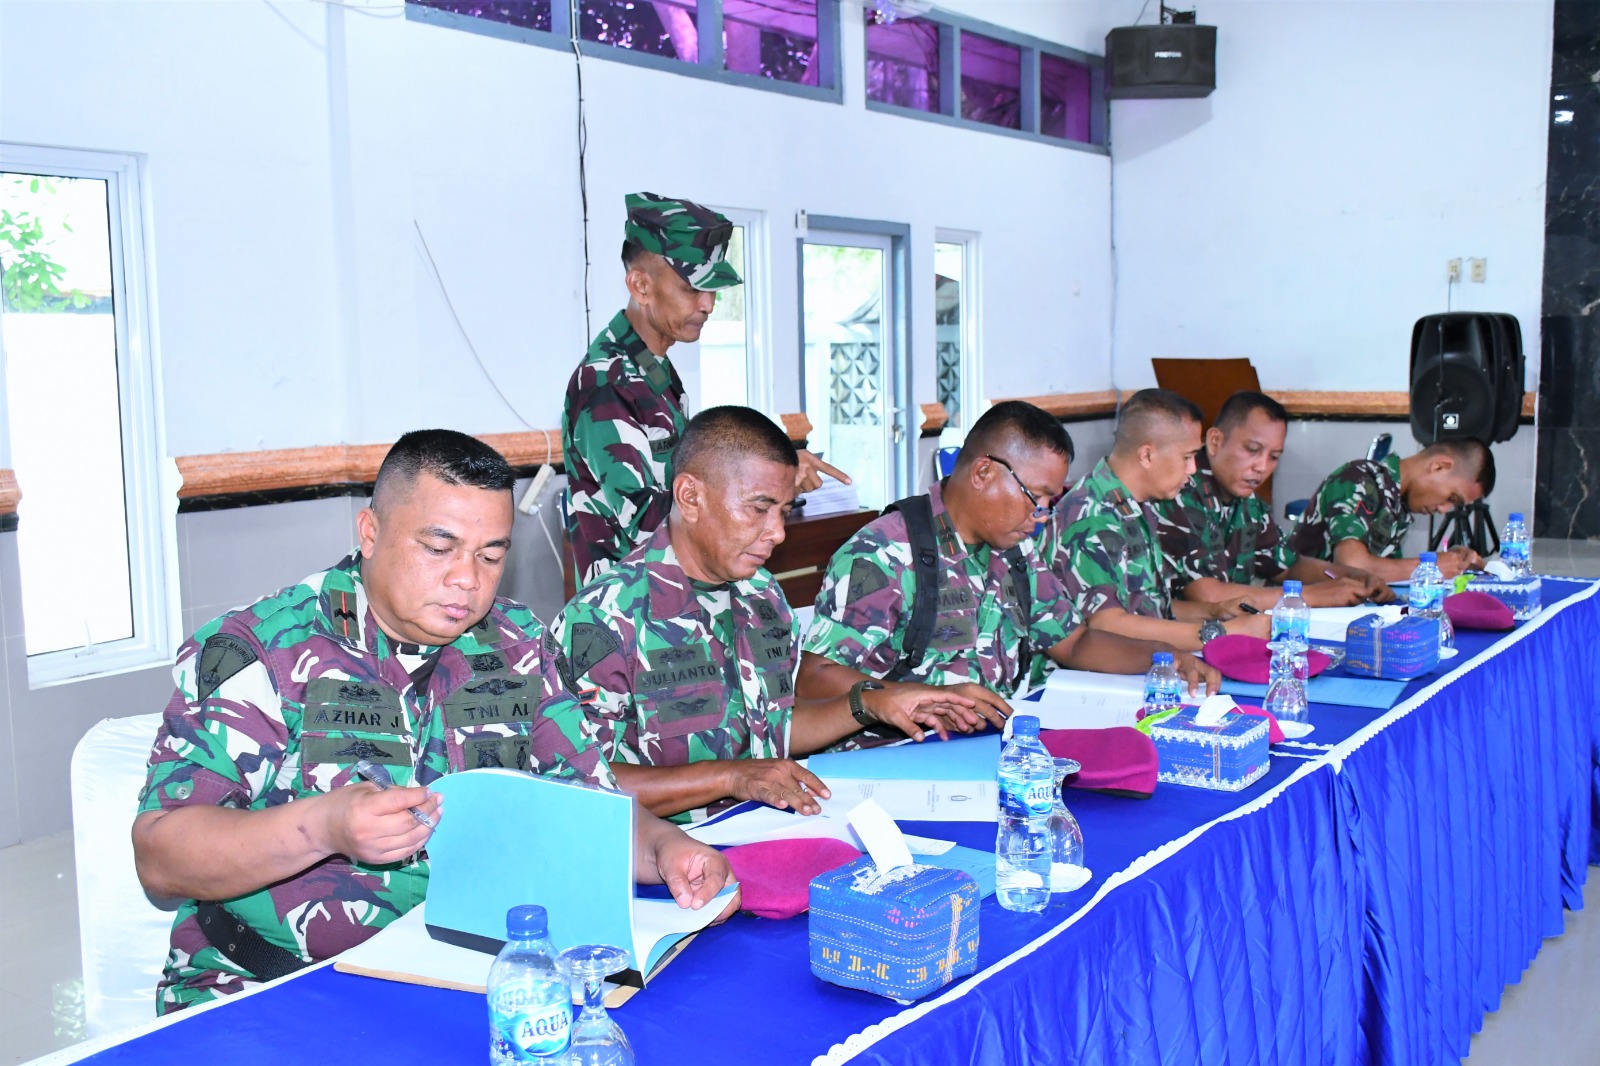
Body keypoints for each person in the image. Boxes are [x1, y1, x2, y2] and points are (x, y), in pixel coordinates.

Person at [132, 430, 734, 1014]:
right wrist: (325, 827)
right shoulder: (262, 650)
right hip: (271, 988)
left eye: (490, 555)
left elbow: (583, 806)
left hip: (458, 979)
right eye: (439, 548)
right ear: (371, 533)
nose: (467, 578)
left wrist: (664, 848)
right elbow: (161, 859)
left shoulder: (516, 644)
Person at [556, 406, 978, 819]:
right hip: (673, 848)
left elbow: (774, 727)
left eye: (784, 512)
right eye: (759, 508)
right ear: (690, 497)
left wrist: (869, 703)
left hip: (765, 827)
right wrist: (729, 778)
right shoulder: (603, 619)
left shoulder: (760, 595)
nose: (777, 533)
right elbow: (573, 785)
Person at [797, 400, 1219, 750]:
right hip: (894, 755)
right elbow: (813, 678)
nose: (1043, 515)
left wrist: (1162, 655)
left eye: (1051, 501)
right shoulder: (883, 553)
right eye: (1037, 497)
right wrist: (921, 698)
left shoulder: (1015, 548)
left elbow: (1075, 642)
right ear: (983, 473)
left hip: (988, 745)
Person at [562, 192, 846, 587]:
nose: (708, 305)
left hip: (669, 589)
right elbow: (642, 521)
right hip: (629, 604)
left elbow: (688, 477)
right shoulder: (608, 381)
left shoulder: (651, 366)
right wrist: (754, 490)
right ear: (641, 285)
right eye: (691, 289)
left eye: (712, 290)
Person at [1040, 388, 1273, 653]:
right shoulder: (1092, 516)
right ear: (1147, 455)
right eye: (1187, 457)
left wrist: (1213, 612)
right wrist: (1223, 632)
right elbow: (1106, 625)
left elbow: (1147, 607)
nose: (1193, 469)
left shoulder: (1137, 505)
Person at [1152, 390, 1392, 610]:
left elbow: (1286, 566)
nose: (1262, 467)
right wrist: (1314, 596)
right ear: (1215, 441)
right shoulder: (1182, 490)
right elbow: (1208, 595)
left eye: (1274, 456)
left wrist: (1353, 577)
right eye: (1252, 449)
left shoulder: (1249, 501)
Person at [1287, 437, 1495, 581]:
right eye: (1452, 498)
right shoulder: (1359, 479)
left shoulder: (1398, 503)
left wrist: (1452, 562)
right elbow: (1351, 565)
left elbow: (1386, 570)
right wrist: (1430, 567)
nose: (1444, 510)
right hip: (1297, 608)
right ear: (1439, 466)